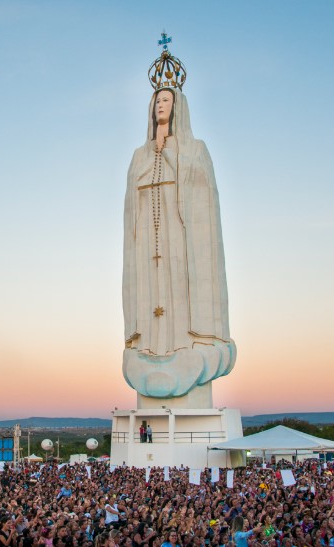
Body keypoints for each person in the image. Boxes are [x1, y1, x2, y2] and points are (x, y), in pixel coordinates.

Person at [122, 53, 236, 401]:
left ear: (178, 106)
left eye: (167, 99)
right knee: (152, 297)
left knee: (180, 293)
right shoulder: (139, 156)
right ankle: (152, 350)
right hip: (147, 251)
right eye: (157, 100)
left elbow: (204, 206)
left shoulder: (194, 149)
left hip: (183, 240)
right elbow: (130, 211)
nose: (160, 105)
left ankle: (188, 347)